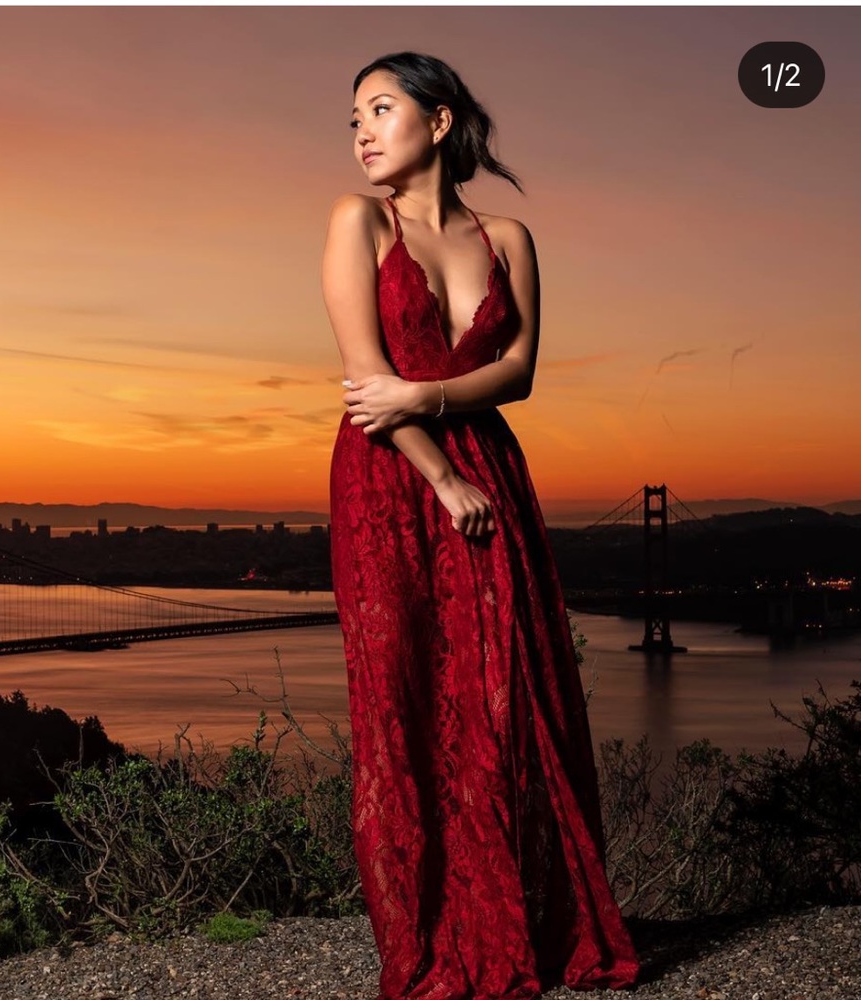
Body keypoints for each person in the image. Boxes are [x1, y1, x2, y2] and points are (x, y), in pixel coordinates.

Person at [323, 52, 640, 999]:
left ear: (442, 119)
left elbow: (522, 371)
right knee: (408, 696)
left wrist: (432, 398)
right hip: (392, 478)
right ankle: (427, 940)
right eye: (353, 119)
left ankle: (526, 924)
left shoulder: (508, 235)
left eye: (381, 110)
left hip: (490, 467)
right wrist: (440, 473)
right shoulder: (357, 220)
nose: (363, 133)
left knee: (510, 687)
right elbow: (365, 390)